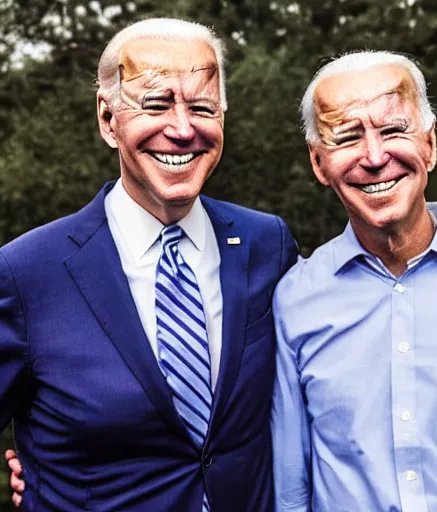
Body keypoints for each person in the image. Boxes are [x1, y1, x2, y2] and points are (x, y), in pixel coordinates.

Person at [0, 17, 297, 511]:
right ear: (107, 118)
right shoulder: (26, 273)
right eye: (156, 104)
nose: (182, 130)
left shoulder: (267, 244)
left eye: (202, 107)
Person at [272, 51, 437, 511]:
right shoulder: (295, 299)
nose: (375, 157)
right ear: (319, 163)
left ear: (430, 144)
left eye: (393, 130)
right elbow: (291, 487)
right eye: (347, 137)